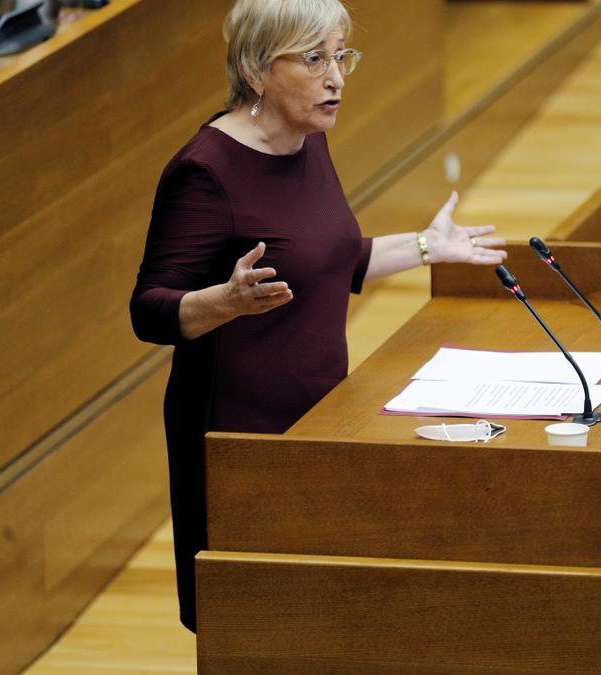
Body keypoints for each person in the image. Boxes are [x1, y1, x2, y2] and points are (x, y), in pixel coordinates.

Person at [129, 0, 507, 632]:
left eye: (340, 56)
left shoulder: (306, 141)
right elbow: (149, 310)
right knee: (256, 627)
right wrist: (227, 300)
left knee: (322, 621)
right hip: (240, 445)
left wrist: (424, 247)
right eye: (314, 59)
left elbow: (326, 258)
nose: (336, 77)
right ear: (255, 70)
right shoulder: (205, 171)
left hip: (319, 420)